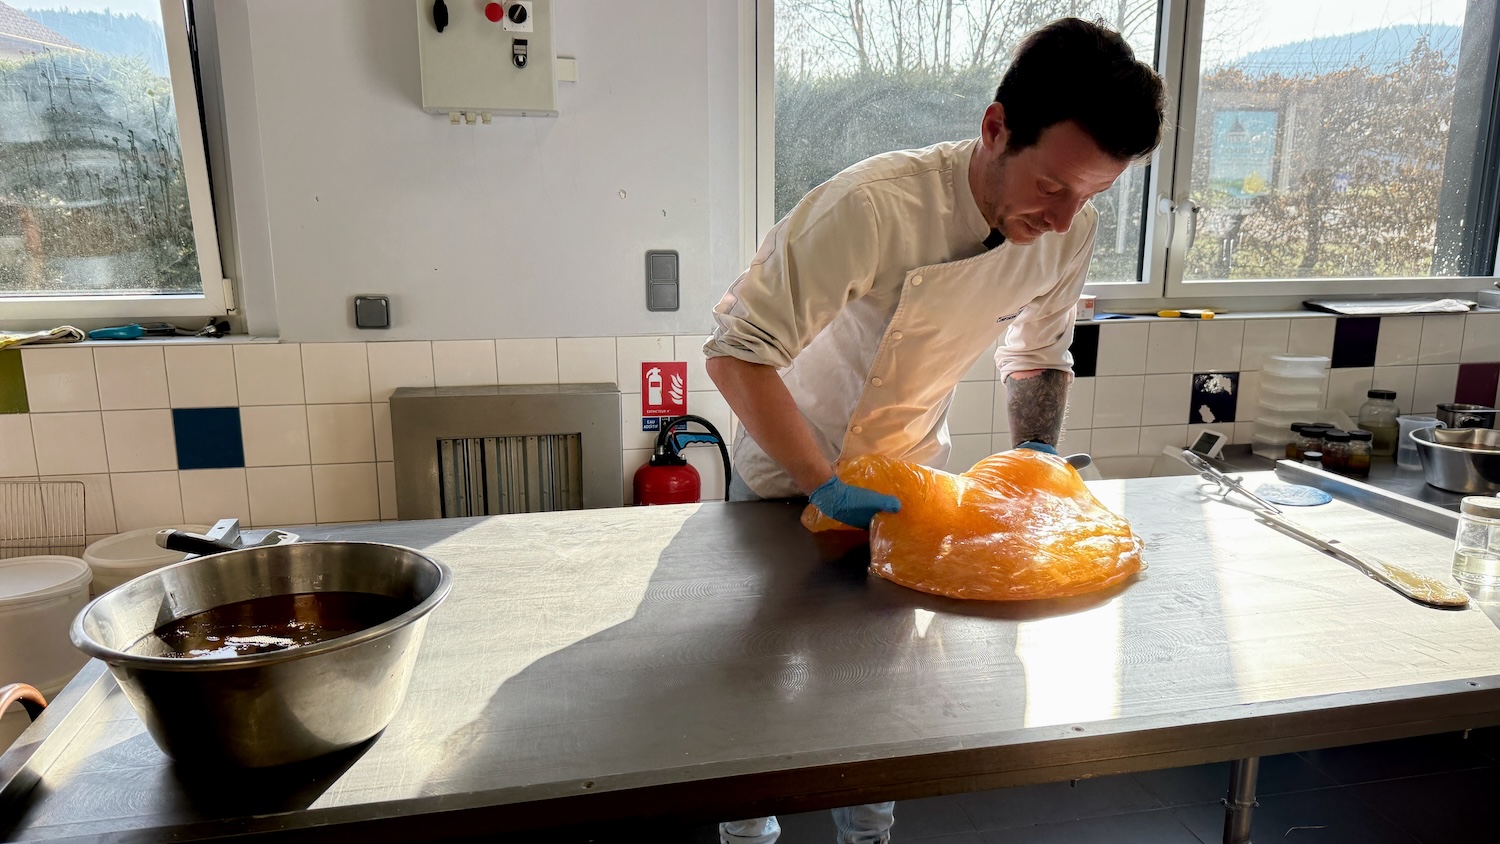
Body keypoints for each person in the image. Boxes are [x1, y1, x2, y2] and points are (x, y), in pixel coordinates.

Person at [702, 16, 1166, 844]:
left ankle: (868, 834)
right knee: (758, 672)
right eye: (1054, 187)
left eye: (1092, 195)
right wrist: (822, 485)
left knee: (881, 685)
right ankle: (746, 835)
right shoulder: (869, 207)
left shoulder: (1070, 230)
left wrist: (1036, 462)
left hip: (910, 476)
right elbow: (738, 357)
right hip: (782, 477)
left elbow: (1038, 351)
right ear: (995, 128)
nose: (1064, 219)